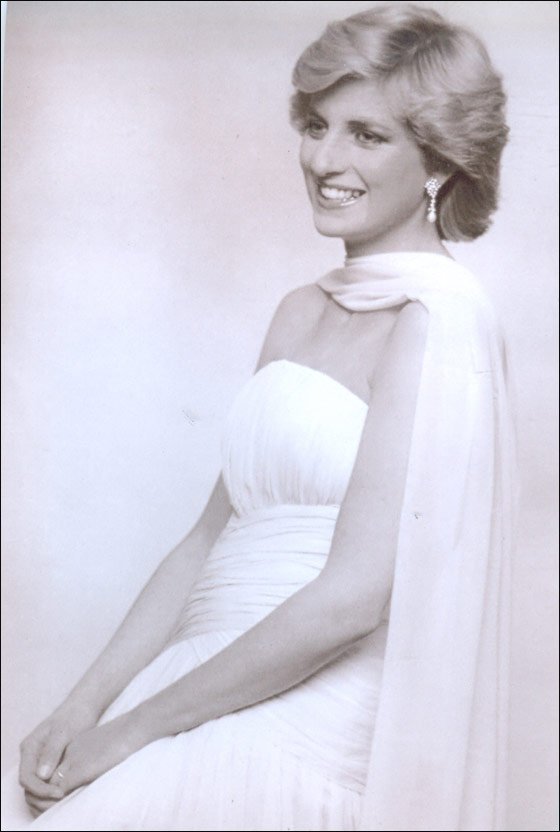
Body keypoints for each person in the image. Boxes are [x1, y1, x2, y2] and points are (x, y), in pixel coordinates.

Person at [2, 4, 515, 831]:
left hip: (309, 719)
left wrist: (133, 732)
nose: (324, 159)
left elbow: (352, 600)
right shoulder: (298, 310)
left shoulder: (440, 322)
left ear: (438, 162)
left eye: (367, 135)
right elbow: (207, 540)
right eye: (316, 125)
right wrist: (81, 708)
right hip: (196, 683)